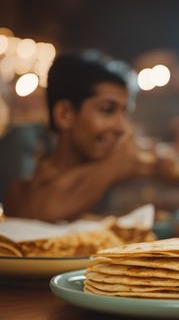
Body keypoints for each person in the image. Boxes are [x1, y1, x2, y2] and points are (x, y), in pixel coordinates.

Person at [4, 51, 155, 222]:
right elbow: (36, 212)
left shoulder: (125, 174)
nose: (123, 128)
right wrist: (114, 166)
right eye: (107, 110)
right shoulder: (24, 180)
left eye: (125, 113)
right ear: (65, 114)